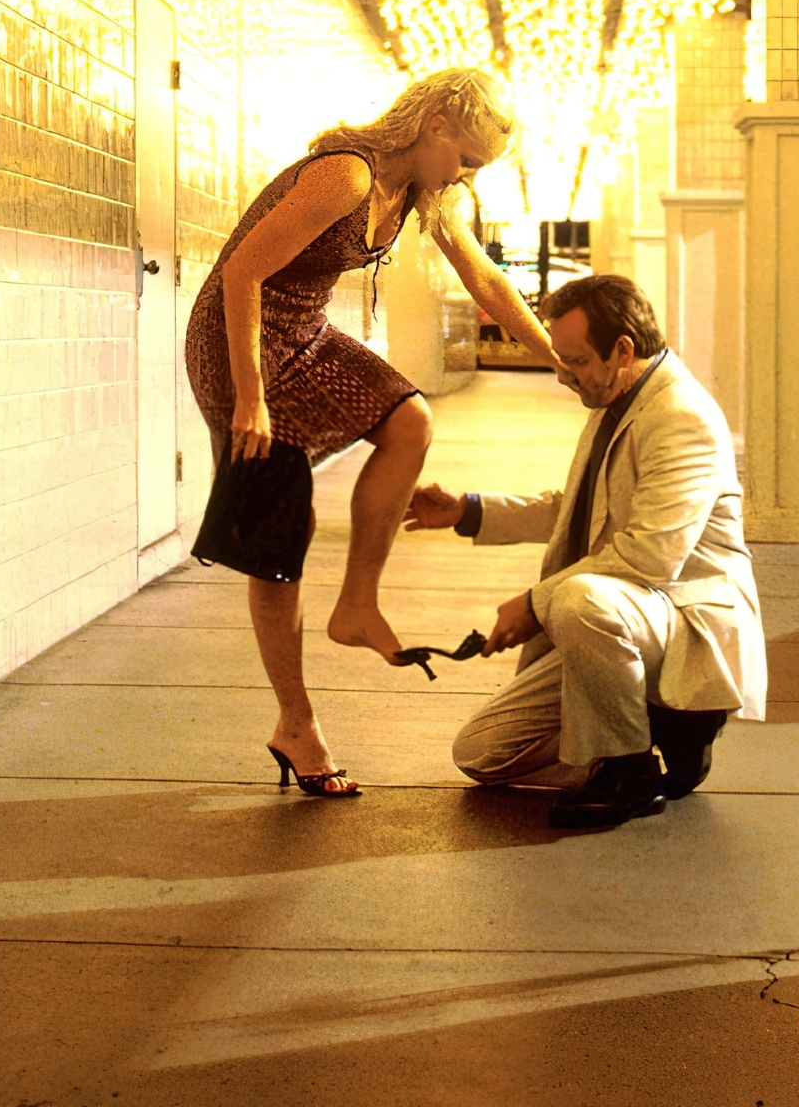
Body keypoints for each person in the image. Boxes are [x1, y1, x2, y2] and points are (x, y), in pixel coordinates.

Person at [183, 69, 555, 798]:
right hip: (238, 345)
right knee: (279, 536)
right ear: (436, 124)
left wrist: (558, 359)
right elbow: (242, 273)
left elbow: (485, 280)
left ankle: (356, 604)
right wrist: (250, 400)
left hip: (306, 332)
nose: (467, 176)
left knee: (410, 421)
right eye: (467, 159)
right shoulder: (346, 176)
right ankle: (296, 723)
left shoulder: (423, 194)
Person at [406, 275, 767, 829]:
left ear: (622, 349)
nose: (563, 374)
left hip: (679, 619)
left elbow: (651, 556)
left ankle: (631, 771)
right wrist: (468, 511)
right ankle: (653, 728)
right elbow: (576, 508)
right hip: (629, 617)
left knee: (578, 600)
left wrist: (533, 604)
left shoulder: (680, 417)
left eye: (575, 361)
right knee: (481, 753)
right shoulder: (615, 397)